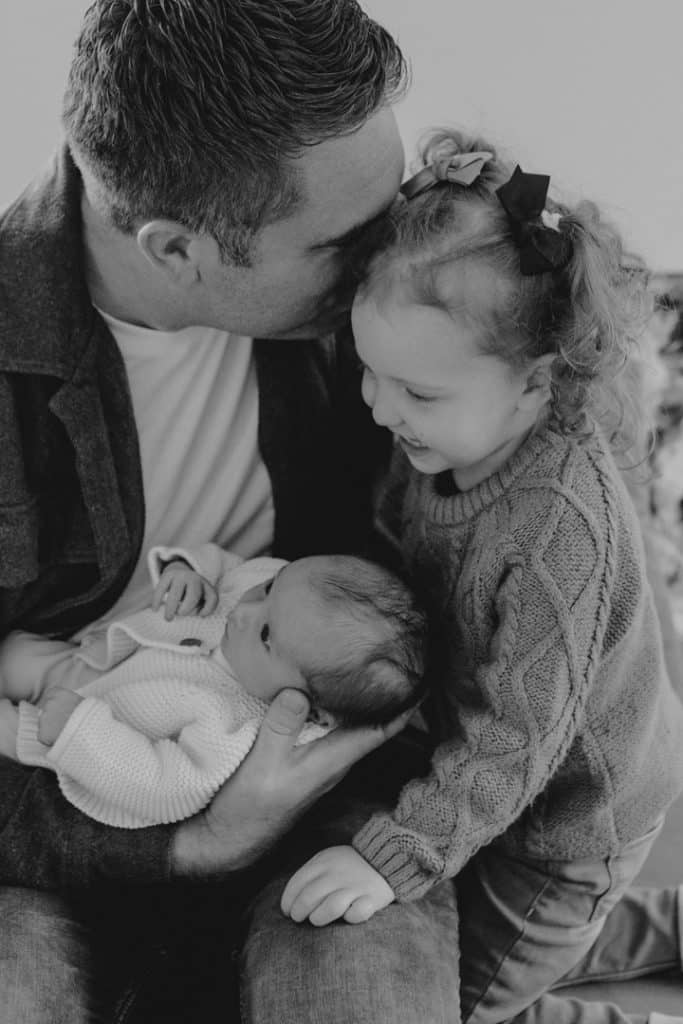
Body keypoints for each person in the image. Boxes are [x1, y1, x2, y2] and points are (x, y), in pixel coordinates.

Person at [0, 2, 459, 1022]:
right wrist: (188, 838)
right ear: (175, 249)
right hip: (37, 822)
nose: (390, 259)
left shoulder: (395, 318)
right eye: (347, 244)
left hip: (322, 822)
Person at [277, 134, 683, 1023]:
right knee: (540, 937)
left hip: (564, 824)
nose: (382, 409)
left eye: (415, 394)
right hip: (486, 778)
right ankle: (651, 927)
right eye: (371, 375)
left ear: (537, 385)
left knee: (461, 1000)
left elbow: (517, 739)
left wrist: (396, 855)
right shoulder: (433, 436)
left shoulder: (557, 530)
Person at [1, 545, 426, 827]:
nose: (244, 611)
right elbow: (231, 565)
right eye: (269, 589)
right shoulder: (280, 592)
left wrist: (79, 732)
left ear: (310, 711)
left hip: (63, 732)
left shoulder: (236, 729)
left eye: (265, 636)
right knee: (14, 652)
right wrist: (189, 572)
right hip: (88, 658)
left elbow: (164, 786)